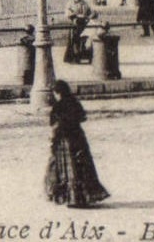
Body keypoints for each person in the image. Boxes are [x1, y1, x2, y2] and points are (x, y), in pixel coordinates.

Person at [45, 80, 109, 208]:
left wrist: (52, 140)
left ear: (58, 93)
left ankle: (68, 197)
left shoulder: (58, 106)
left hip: (64, 139)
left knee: (66, 168)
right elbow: (82, 117)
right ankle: (85, 196)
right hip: (78, 137)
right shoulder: (75, 102)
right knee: (82, 165)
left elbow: (55, 125)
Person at [63, 0, 94, 64]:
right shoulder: (70, 4)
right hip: (75, 25)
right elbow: (68, 13)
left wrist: (90, 16)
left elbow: (90, 12)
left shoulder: (84, 3)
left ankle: (84, 56)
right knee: (74, 41)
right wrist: (75, 16)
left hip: (84, 25)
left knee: (84, 41)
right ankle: (75, 58)